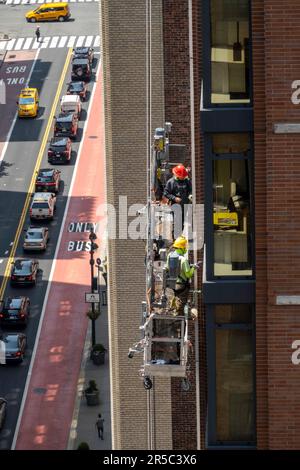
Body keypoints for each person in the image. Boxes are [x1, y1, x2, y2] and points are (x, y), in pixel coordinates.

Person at [166, 236, 199, 315]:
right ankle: (178, 317)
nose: (186, 249)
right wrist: (194, 268)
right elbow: (188, 275)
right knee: (180, 305)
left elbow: (167, 268)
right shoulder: (184, 260)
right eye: (185, 247)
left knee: (175, 302)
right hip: (182, 286)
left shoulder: (170, 256)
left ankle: (174, 312)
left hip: (172, 284)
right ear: (181, 248)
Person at [163, 164, 192, 234]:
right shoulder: (171, 182)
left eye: (184, 176)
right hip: (175, 205)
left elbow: (190, 190)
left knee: (182, 222)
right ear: (177, 175)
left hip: (185, 205)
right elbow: (166, 193)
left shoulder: (187, 181)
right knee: (177, 223)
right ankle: (176, 240)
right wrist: (174, 198)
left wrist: (190, 195)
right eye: (182, 176)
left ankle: (179, 238)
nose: (183, 177)